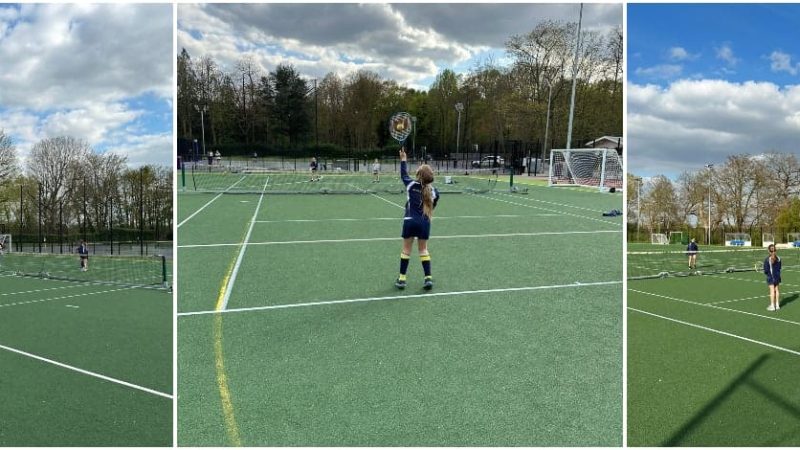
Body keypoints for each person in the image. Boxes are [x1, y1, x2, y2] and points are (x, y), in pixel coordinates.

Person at [395, 148, 439, 290]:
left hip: (409, 221)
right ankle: (428, 278)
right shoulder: (434, 192)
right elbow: (432, 206)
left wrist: (403, 159)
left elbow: (403, 174)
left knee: (406, 250)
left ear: (419, 175)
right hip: (424, 223)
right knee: (423, 250)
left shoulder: (410, 185)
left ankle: (402, 279)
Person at [764, 244, 781, 311]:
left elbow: (766, 270)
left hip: (771, 277)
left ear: (769, 251)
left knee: (772, 291)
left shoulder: (767, 259)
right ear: (775, 250)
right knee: (777, 290)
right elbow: (779, 267)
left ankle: (772, 306)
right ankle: (777, 305)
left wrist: (766, 272)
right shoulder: (779, 258)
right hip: (777, 276)